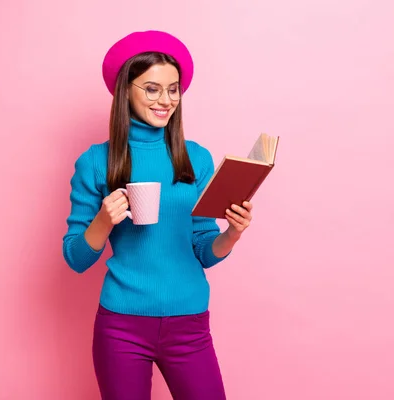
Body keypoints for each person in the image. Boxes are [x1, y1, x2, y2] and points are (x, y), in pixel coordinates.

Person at [62, 30, 253, 400]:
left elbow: (202, 247)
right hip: (121, 327)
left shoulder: (195, 158)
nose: (165, 100)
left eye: (173, 89)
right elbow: (75, 258)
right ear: (125, 90)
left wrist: (231, 234)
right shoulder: (95, 162)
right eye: (151, 89)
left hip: (190, 323)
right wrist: (104, 221)